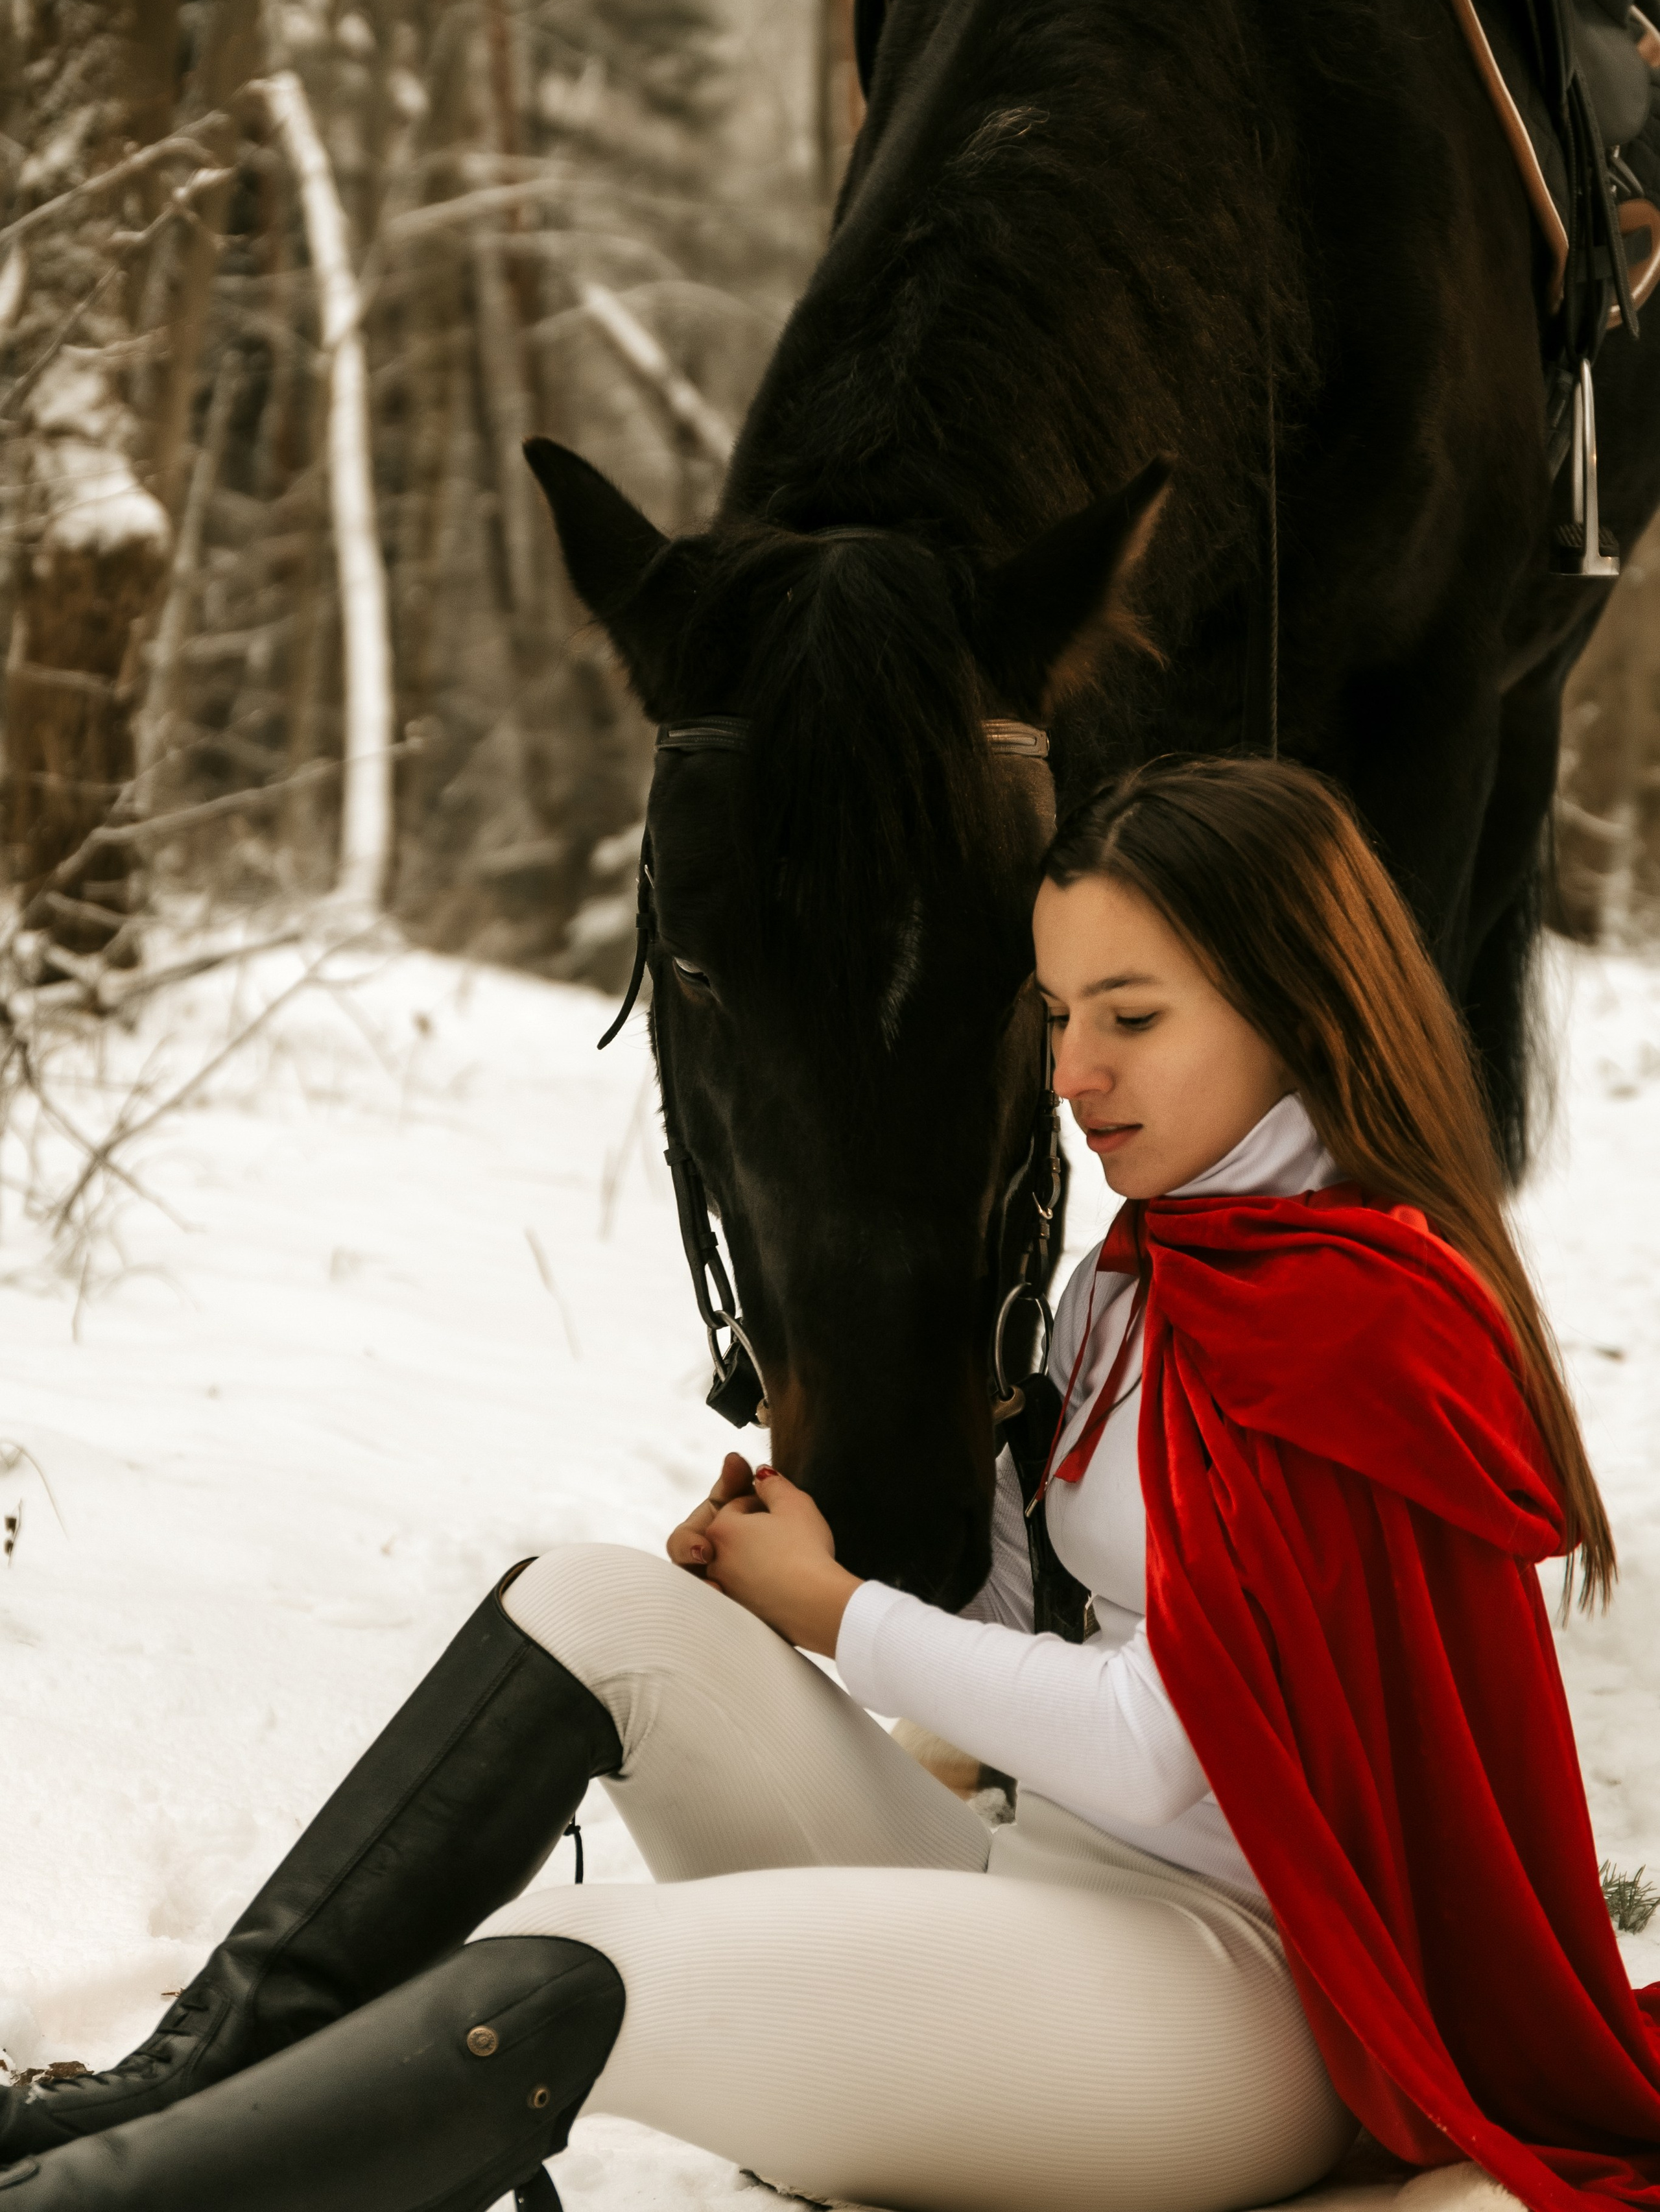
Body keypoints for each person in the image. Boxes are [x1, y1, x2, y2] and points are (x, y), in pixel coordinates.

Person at [2, 755, 1655, 2212]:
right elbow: (1041, 1623)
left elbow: (1171, 1751)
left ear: (1298, 1006)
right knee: (593, 1605)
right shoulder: (1150, 1273)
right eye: (1057, 1015)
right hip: (1042, 1890)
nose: (1074, 1074)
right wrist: (805, 1561)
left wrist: (838, 1614)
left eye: (1132, 1018)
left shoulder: (1351, 1321)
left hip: (1248, 2007)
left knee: (580, 1977)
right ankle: (167, 2088)